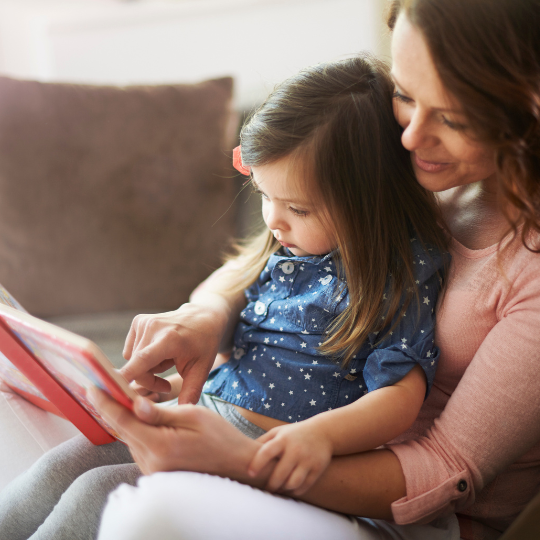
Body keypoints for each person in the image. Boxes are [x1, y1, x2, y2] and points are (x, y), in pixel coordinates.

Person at [91, 0, 540, 539]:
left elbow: (445, 464)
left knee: (142, 512)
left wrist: (244, 460)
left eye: (454, 118)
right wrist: (204, 317)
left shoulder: (522, 266)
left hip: (406, 513)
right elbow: (258, 263)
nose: (411, 138)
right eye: (404, 93)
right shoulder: (410, 169)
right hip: (269, 444)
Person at [0, 54, 448, 540]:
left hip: (272, 452)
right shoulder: (287, 248)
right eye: (263, 194)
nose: (274, 222)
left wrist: (318, 437)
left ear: (370, 200)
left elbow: (399, 397)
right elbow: (235, 333)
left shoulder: (402, 273)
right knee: (67, 462)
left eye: (297, 207)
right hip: (211, 415)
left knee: (100, 493)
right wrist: (167, 386)